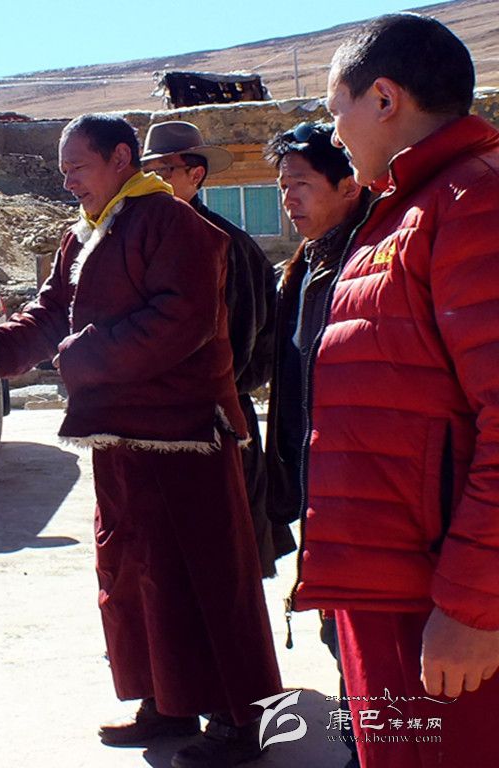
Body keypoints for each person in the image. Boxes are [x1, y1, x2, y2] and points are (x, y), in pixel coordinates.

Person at [0, 114, 281, 768]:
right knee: (136, 573)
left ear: (121, 158)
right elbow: (50, 314)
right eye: (64, 170)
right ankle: (168, 702)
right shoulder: (83, 234)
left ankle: (240, 720)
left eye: (77, 167)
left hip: (185, 435)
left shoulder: (176, 225)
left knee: (208, 577)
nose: (68, 181)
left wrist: (80, 358)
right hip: (118, 436)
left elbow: (181, 320)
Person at [293, 14, 499, 768]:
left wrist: (474, 606)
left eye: (335, 107)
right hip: (389, 588)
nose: (333, 130)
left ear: (384, 98)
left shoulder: (474, 202)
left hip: (444, 606)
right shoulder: (404, 209)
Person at [264, 121, 370, 768]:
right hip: (316, 483)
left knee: (369, 630)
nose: (288, 200)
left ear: (348, 184)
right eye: (282, 187)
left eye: (300, 184)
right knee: (337, 626)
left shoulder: (373, 258)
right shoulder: (306, 265)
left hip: (366, 487)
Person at [140, 121, 287, 578]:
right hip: (156, 426)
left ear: (195, 174)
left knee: (224, 565)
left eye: (165, 171)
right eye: (147, 172)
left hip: (218, 425)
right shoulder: (140, 240)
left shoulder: (228, 246)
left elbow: (246, 349)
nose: (154, 182)